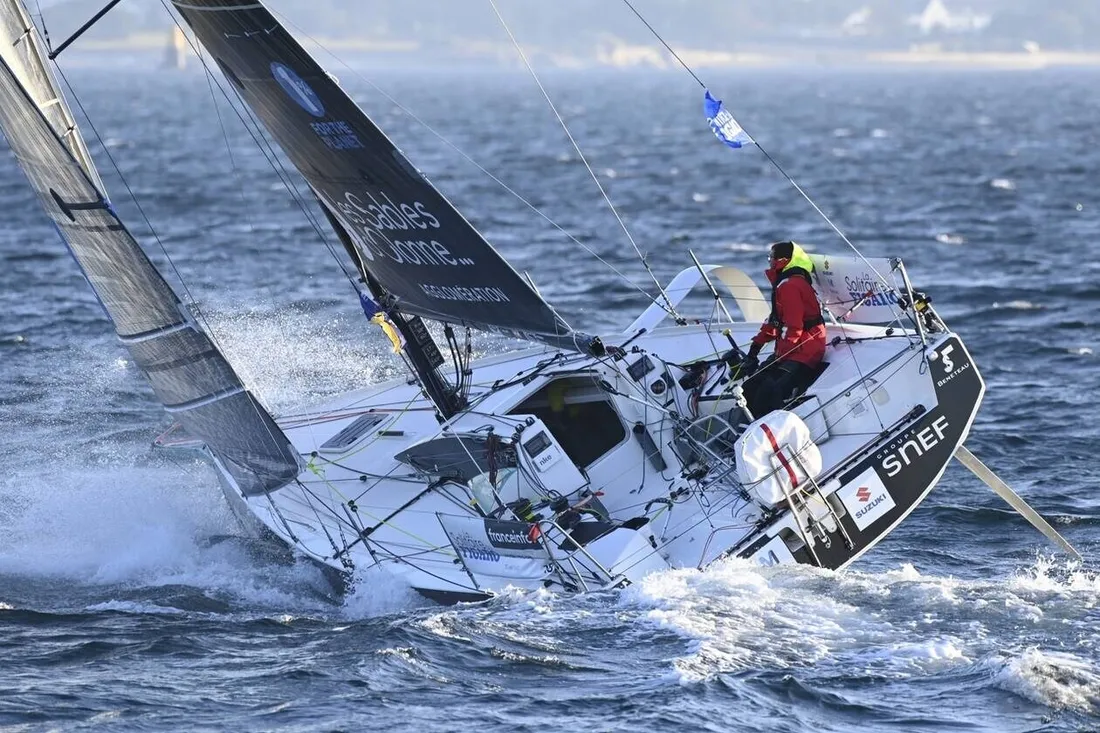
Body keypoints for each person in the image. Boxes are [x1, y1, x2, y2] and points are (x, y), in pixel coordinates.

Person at [741, 241, 827, 417]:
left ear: (783, 260)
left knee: (770, 390)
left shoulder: (790, 286)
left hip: (805, 351)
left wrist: (779, 357)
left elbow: (794, 327)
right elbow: (776, 321)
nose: (769, 261)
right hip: (790, 349)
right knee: (749, 386)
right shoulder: (784, 284)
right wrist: (755, 347)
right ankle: (746, 426)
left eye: (771, 258)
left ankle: (767, 431)